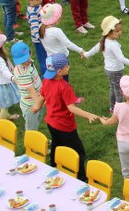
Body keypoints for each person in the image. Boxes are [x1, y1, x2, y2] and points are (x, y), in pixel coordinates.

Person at [31, 53, 103, 182]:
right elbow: (71, 108)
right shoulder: (64, 86)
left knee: (56, 145)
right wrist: (88, 115)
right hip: (65, 125)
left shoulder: (46, 80)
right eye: (66, 65)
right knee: (78, 151)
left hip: (51, 122)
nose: (68, 67)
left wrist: (37, 106)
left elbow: (43, 96)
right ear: (60, 71)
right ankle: (82, 178)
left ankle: (53, 167)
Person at [84, 16, 129, 112]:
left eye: (120, 30)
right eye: (117, 31)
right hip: (116, 71)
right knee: (118, 91)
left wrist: (86, 55)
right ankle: (120, 111)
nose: (120, 32)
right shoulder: (113, 45)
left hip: (108, 70)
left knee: (113, 88)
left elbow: (93, 50)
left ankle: (112, 107)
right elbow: (121, 58)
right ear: (109, 32)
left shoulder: (104, 40)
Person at [39, 3, 85, 69]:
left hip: (50, 60)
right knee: (64, 78)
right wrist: (81, 50)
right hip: (61, 60)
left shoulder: (40, 28)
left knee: (55, 78)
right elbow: (68, 44)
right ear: (57, 18)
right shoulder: (56, 31)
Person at [11, 42, 42, 131]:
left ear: (30, 53)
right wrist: (39, 104)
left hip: (37, 100)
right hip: (31, 106)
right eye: (22, 61)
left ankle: (36, 139)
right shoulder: (22, 73)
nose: (26, 62)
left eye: (26, 59)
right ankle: (31, 143)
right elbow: (30, 90)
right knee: (31, 129)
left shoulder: (30, 63)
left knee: (36, 122)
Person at [21, 0, 46, 68]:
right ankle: (45, 74)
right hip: (39, 39)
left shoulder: (37, 6)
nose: (41, 0)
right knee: (43, 58)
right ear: (29, 0)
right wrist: (40, 38)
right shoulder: (33, 12)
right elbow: (34, 27)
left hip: (43, 34)